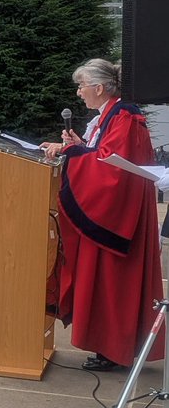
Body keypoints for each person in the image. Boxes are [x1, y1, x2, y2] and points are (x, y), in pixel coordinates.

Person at [42, 58, 163, 371]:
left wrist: (74, 152)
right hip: (115, 214)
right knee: (107, 283)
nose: (79, 92)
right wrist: (77, 147)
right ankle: (110, 349)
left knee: (113, 284)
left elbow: (114, 171)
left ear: (99, 87)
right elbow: (103, 155)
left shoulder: (125, 116)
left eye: (81, 85)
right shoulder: (112, 115)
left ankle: (115, 350)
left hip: (118, 217)